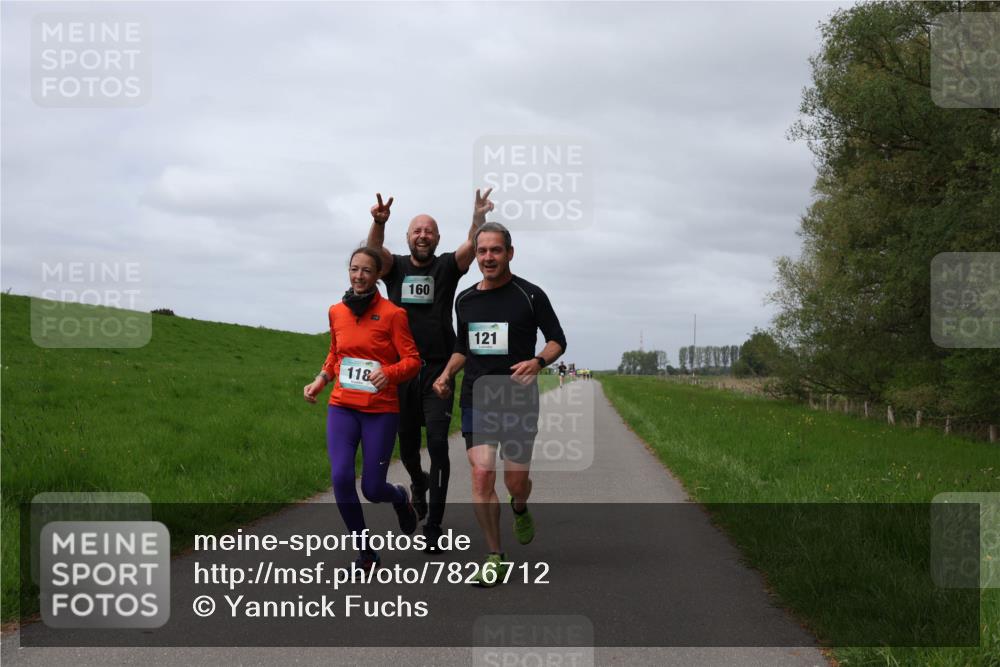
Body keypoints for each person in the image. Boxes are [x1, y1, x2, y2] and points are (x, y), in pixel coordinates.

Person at [433, 222, 566, 587]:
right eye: (482, 251)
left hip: (518, 400)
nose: (488, 257)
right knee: (481, 475)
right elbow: (463, 348)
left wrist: (538, 362)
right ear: (475, 255)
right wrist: (446, 374)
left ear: (510, 253)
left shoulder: (530, 295)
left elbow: (557, 340)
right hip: (478, 397)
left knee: (515, 482)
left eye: (495, 250)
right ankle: (495, 556)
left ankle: (519, 506)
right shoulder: (465, 299)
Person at [366, 190, 493, 551]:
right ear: (408, 237)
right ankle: (418, 483)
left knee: (437, 445)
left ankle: (433, 525)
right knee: (407, 448)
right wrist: (378, 222)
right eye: (417, 231)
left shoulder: (447, 267)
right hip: (400, 371)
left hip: (438, 369)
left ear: (437, 238)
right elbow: (373, 253)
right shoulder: (395, 268)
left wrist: (478, 217)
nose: (423, 235)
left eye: (429, 231)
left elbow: (473, 245)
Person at [303, 247, 421, 571]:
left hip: (380, 411)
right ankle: (366, 553)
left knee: (372, 488)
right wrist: (321, 380)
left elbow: (412, 361)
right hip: (342, 407)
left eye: (367, 270)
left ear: (377, 275)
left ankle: (400, 497)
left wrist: (389, 373)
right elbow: (335, 354)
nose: (359, 276)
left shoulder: (393, 314)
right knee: (341, 477)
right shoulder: (336, 311)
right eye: (354, 269)